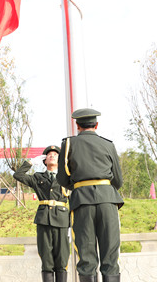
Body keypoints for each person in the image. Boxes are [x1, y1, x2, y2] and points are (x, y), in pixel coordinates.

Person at [57, 108, 124, 282]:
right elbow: (118, 178)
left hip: (82, 201)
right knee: (110, 255)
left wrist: (79, 186)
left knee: (86, 255)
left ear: (77, 125)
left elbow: (63, 178)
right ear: (96, 124)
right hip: (108, 200)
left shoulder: (68, 144)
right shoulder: (108, 144)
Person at [13, 145, 70, 282]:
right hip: (44, 219)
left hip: (62, 220)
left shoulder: (67, 177)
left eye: (55, 154)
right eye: (49, 155)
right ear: (44, 161)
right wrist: (31, 162)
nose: (52, 156)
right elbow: (18, 175)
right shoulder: (38, 177)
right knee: (46, 259)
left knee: (62, 259)